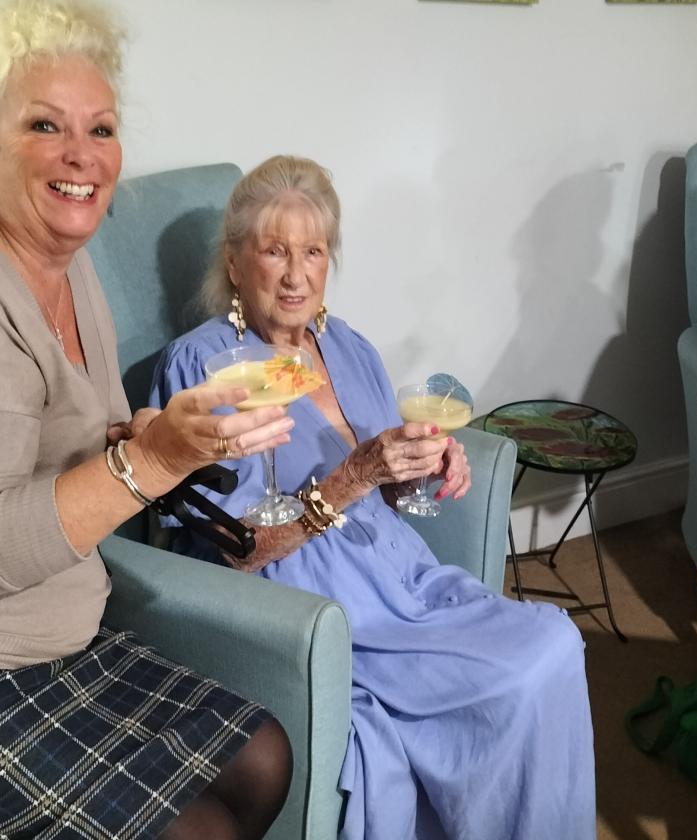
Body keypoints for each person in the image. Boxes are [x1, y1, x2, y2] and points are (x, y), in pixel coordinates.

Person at [151, 154, 595, 840]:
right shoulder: (203, 366)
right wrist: (349, 479)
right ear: (237, 265)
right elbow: (232, 550)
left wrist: (422, 465)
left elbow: (385, 492)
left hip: (401, 576)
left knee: (555, 641)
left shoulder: (349, 347)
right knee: (525, 669)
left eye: (313, 251)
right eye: (274, 251)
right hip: (317, 603)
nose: (296, 273)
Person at [0, 2, 293, 837]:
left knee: (266, 751)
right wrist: (149, 465)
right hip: (8, 658)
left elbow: (70, 445)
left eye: (101, 127)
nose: (80, 155)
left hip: (72, 624)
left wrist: (155, 439)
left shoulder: (72, 264)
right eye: (44, 124)